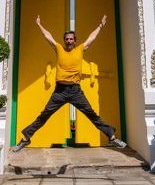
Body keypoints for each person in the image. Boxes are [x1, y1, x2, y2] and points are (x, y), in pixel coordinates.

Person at [13, 14, 127, 151]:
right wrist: (39, 25)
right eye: (67, 39)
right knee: (44, 115)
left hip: (75, 91)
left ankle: (112, 138)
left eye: (71, 39)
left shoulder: (80, 49)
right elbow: (48, 37)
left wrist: (101, 25)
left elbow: (91, 38)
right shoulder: (59, 48)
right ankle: (26, 138)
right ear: (64, 40)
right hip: (59, 91)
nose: (69, 41)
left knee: (91, 114)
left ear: (75, 40)